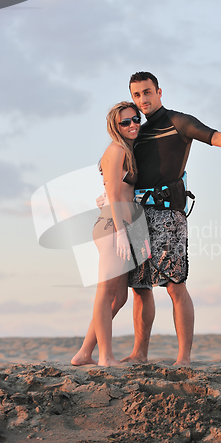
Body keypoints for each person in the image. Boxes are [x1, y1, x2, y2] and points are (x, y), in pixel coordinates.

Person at [121, 71, 221, 367]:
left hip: (168, 214)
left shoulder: (179, 122)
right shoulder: (137, 133)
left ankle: (183, 358)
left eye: (147, 92)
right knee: (140, 287)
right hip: (137, 215)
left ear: (159, 92)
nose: (143, 100)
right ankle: (139, 353)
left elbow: (214, 137)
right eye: (137, 95)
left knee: (175, 285)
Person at [71, 101, 141, 367]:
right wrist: (121, 233)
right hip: (113, 227)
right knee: (105, 293)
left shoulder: (127, 150)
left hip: (123, 225)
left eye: (136, 120)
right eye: (126, 122)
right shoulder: (116, 149)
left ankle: (84, 352)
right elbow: (113, 193)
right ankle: (105, 357)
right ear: (116, 125)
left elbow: (116, 189)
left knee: (120, 297)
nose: (133, 124)